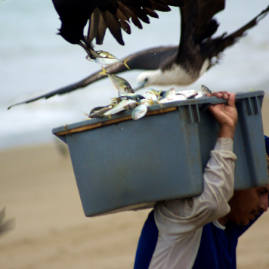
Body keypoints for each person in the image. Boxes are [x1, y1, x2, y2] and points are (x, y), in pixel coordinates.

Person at [133, 91, 269, 269]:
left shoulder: (230, 221)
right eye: (261, 192)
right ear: (235, 175)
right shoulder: (181, 213)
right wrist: (226, 130)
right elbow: (213, 201)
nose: (264, 206)